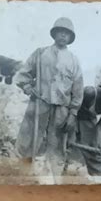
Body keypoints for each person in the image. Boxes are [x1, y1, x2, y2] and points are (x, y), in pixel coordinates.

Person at [14, 17, 83, 165]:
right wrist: (26, 87)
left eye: (67, 33)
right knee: (28, 138)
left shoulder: (74, 61)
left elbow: (77, 89)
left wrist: (73, 113)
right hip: (39, 102)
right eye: (60, 32)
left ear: (71, 37)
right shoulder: (40, 54)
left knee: (57, 146)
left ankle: (54, 179)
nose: (63, 35)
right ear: (54, 34)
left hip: (61, 108)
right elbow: (23, 74)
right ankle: (23, 168)